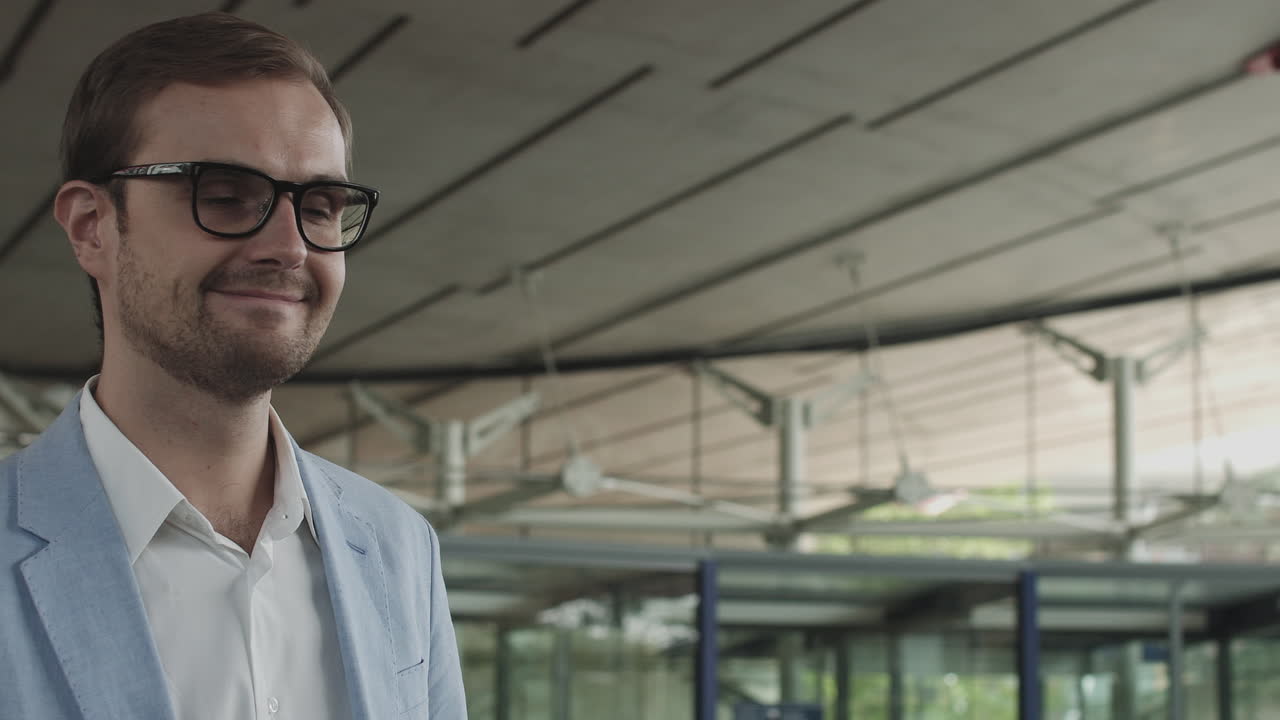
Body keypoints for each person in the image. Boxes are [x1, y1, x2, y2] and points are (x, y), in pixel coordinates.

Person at [0, 12, 465, 719]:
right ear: (93, 227)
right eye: (223, 195)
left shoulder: (399, 547)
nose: (289, 245)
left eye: (321, 206)